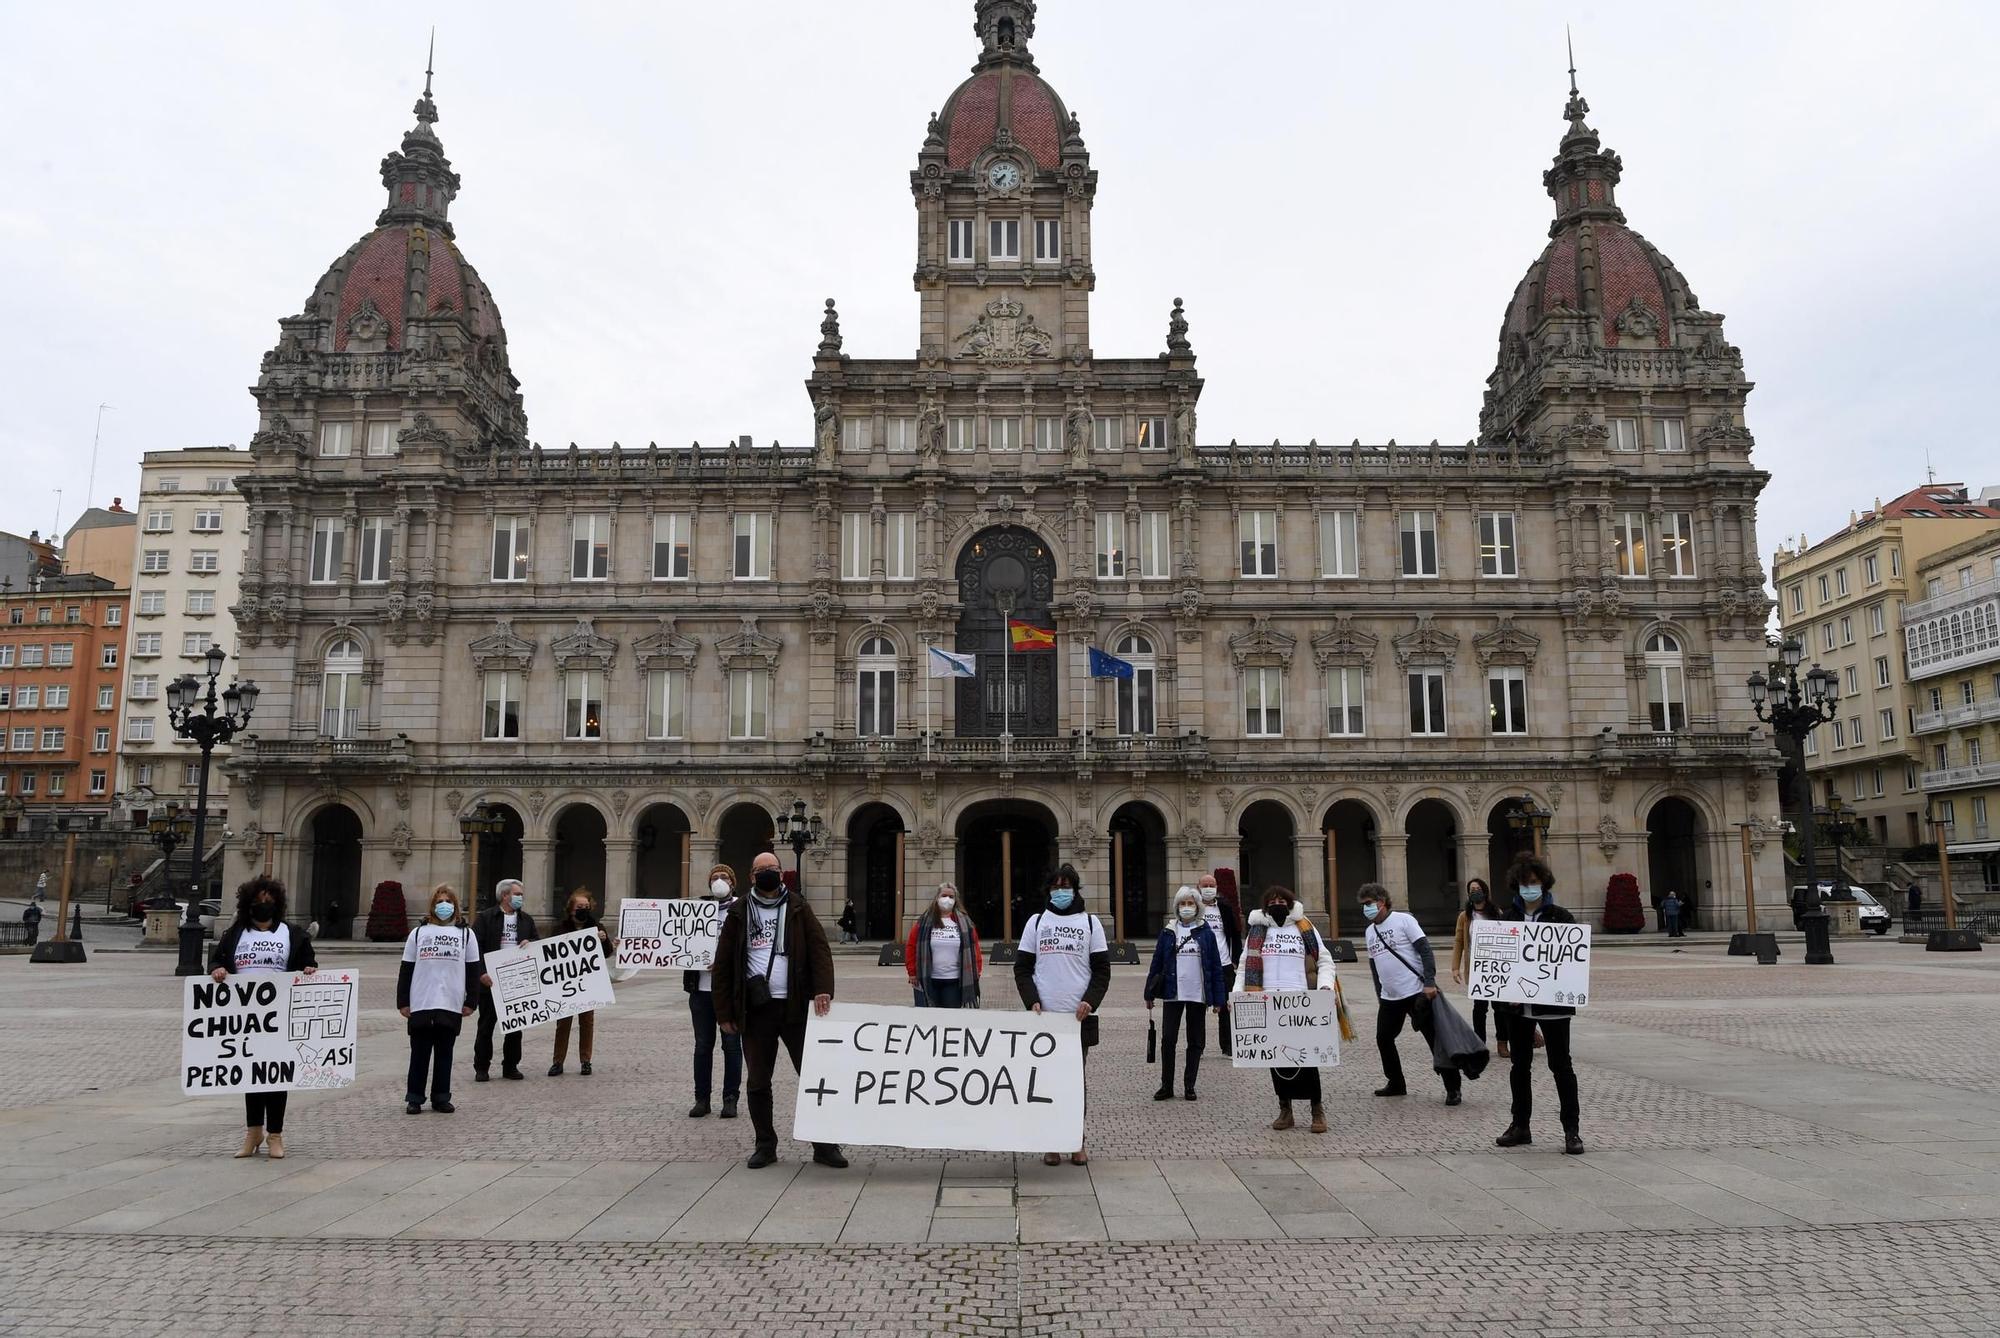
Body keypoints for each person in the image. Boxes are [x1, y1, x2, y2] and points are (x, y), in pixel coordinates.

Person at [712, 851, 845, 1169]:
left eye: (772, 869)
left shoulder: (798, 906)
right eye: (761, 870)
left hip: (796, 1005)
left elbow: (819, 949)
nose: (767, 874)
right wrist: (724, 1013)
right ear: (751, 877)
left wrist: (823, 988)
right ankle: (765, 1144)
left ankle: (825, 1145)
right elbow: (724, 964)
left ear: (781, 873)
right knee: (758, 1080)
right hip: (756, 1008)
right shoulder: (739, 911)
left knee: (813, 1076)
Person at [209, 874, 317, 1158]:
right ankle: (253, 1131)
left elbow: (309, 961)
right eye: (258, 902)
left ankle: (276, 1135)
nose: (263, 906)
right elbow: (217, 959)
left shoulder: (292, 934)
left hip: (279, 1015)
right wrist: (218, 969)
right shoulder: (234, 935)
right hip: (245, 1017)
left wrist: (308, 970)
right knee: (251, 1076)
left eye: (268, 901)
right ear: (248, 905)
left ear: (277, 904)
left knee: (276, 1077)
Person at [1015, 864, 1110, 1165]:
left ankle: (1075, 1141)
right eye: (1055, 886)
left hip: (1076, 1019)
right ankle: (1051, 1143)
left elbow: (1102, 971)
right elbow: (1022, 968)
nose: (1061, 891)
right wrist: (1031, 1001)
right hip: (1044, 1018)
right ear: (1048, 890)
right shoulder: (1037, 921)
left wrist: (1090, 1002)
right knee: (1045, 1083)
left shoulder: (1091, 923)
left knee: (1074, 1083)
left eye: (1066, 885)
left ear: (1076, 889)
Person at [1494, 854, 1584, 1155]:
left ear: (1543, 883)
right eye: (1523, 884)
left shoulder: (1560, 916)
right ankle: (1520, 1125)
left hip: (1554, 1006)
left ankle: (1572, 1130)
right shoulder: (1508, 919)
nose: (1528, 888)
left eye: (1532, 883)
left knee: (1562, 1066)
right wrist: (1503, 995)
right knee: (1520, 1067)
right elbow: (1498, 963)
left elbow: (1572, 962)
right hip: (1517, 1008)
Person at [1234, 886, 1335, 1131]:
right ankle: (1285, 1109)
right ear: (1265, 904)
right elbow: (1245, 963)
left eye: (1282, 900)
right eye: (1272, 900)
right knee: (1276, 1059)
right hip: (1268, 1001)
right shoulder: (1258, 929)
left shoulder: (1304, 927)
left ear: (1290, 903)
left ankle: (1316, 1110)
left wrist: (1325, 987)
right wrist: (1237, 993)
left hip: (1300, 1001)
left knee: (1308, 1060)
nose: (1277, 903)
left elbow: (1323, 959)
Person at [1360, 883, 1462, 1106]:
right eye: (1363, 904)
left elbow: (1425, 950)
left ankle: (1453, 1087)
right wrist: (1380, 995)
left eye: (1368, 903)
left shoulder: (1404, 920)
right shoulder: (1370, 932)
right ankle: (1396, 1082)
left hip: (1417, 991)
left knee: (1434, 1039)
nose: (1365, 908)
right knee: (1384, 1038)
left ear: (1382, 902)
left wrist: (1429, 982)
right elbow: (1375, 966)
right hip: (1390, 997)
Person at [398, 884, 488, 1115]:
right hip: (422, 1000)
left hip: (450, 1001)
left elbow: (473, 969)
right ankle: (414, 1097)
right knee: (419, 1053)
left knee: (444, 1053)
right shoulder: (418, 933)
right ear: (432, 906)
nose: (444, 905)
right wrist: (403, 1001)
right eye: (439, 901)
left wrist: (471, 1002)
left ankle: (441, 1096)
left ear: (455, 906)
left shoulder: (466, 934)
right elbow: (406, 969)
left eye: (448, 901)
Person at [1145, 886, 1226, 1100]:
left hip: (1197, 995)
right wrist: (1149, 994)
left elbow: (1215, 967)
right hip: (1173, 992)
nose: (1186, 907)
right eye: (1183, 904)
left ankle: (1190, 1085)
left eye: (1191, 904)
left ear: (1198, 907)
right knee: (1168, 1039)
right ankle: (1166, 1085)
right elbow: (1156, 963)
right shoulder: (1168, 931)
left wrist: (1219, 999)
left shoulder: (1206, 933)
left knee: (1196, 1041)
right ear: (1177, 907)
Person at [686, 865, 742, 1119]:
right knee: (702, 1046)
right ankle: (702, 1098)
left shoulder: (742, 909)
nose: (719, 881)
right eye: (714, 878)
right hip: (701, 988)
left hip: (730, 989)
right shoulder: (695, 912)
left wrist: (724, 962)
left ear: (733, 882)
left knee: (731, 1045)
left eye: (724, 877)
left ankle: (730, 1098)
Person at [471, 878, 538, 1082]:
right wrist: (481, 973)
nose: (520, 898)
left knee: (515, 1027)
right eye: (517, 894)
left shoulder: (526, 920)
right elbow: (475, 947)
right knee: (486, 1026)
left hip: (516, 981)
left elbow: (537, 942)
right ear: (505, 895)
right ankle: (482, 1067)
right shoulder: (486, 918)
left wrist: (532, 942)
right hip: (490, 981)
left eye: (521, 895)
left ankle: (510, 1065)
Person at [549, 889, 613, 1077]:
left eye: (586, 907)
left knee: (587, 1022)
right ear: (571, 909)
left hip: (588, 983)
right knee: (563, 1024)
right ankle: (557, 1061)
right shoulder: (560, 928)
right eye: (579, 907)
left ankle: (586, 1060)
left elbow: (607, 952)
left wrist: (604, 940)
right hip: (566, 983)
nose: (583, 910)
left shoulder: (596, 926)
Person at [1449, 878, 1508, 1059]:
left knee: (1500, 1008)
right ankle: (1479, 1043)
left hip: (1495, 966)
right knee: (1479, 1008)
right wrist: (1455, 967)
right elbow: (1459, 941)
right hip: (1476, 967)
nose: (1475, 891)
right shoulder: (1464, 916)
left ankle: (1502, 1043)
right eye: (1471, 889)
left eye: (1478, 888)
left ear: (1485, 891)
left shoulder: (1496, 912)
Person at [905, 882, 983, 1008]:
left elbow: (975, 949)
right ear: (937, 898)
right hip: (928, 980)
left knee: (950, 1018)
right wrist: (912, 972)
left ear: (955, 900)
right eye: (944, 895)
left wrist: (977, 971)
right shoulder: (923, 922)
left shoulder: (966, 923)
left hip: (954, 980)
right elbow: (911, 947)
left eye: (951, 897)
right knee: (929, 1018)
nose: (947, 899)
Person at [1195, 873, 1241, 1051]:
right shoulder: (1194, 907)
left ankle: (1228, 1045)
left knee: (1225, 1006)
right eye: (1205, 885)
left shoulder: (1224, 907)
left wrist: (1235, 959)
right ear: (1198, 886)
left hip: (1224, 963)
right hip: (1199, 964)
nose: (1208, 888)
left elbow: (1235, 934)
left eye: (1211, 885)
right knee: (1198, 1007)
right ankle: (1198, 1046)